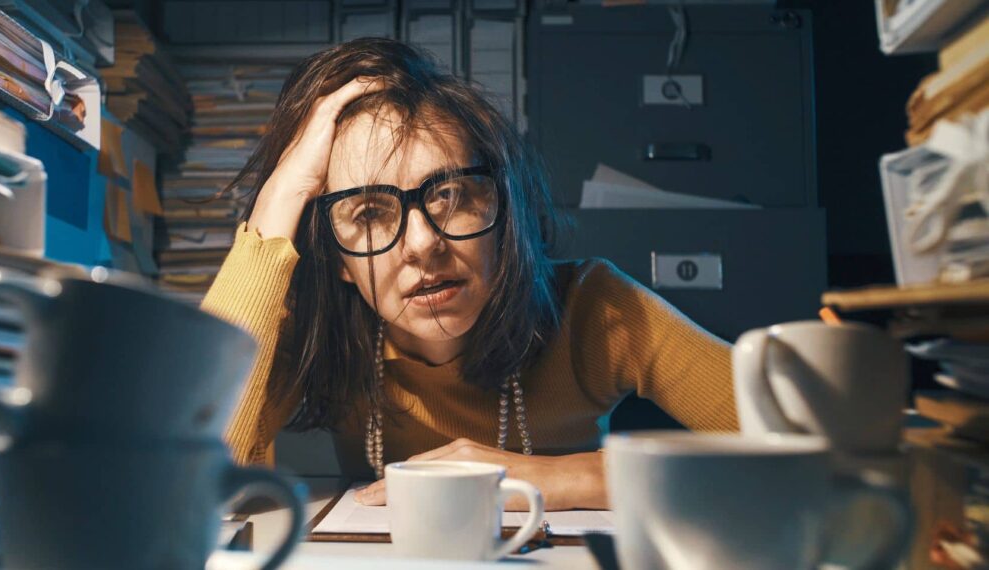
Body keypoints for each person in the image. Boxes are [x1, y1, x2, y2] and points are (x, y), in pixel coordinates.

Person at [201, 37, 737, 511]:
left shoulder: (597, 307)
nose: (423, 243)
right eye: (368, 213)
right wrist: (279, 199)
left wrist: (568, 476)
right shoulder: (319, 333)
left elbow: (816, 445)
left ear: (502, 212)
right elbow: (183, 476)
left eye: (451, 196)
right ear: (336, 258)